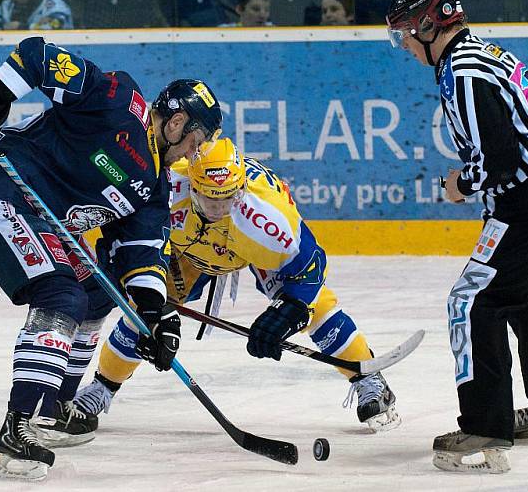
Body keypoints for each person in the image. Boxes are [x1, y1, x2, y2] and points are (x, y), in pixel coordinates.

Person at [0, 36, 222, 480]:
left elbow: (141, 255)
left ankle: (57, 405)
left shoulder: (153, 188)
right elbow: (39, 56)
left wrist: (153, 316)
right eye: (196, 138)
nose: (196, 151)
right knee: (61, 296)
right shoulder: (119, 101)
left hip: (44, 223)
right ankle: (15, 429)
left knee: (98, 293)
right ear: (175, 121)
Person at [386, 0, 528, 473]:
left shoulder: (461, 71)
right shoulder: (485, 54)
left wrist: (459, 185)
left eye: (404, 30)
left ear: (428, 22)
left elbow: (500, 163)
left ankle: (485, 426)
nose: (403, 43)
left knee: (473, 301)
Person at [72, 137, 401, 434]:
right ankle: (103, 387)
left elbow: (310, 266)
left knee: (317, 307)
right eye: (210, 200)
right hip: (186, 247)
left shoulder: (266, 215)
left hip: (245, 247)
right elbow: (125, 225)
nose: (218, 210)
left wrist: (292, 310)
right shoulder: (169, 186)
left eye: (227, 199)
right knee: (145, 306)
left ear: (240, 190)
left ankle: (368, 379)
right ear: (193, 187)